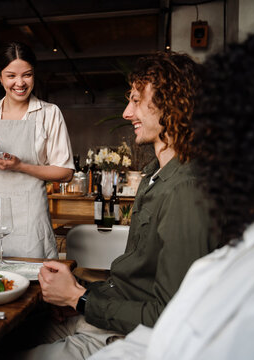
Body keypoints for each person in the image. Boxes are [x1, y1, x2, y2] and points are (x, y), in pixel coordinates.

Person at [89, 16, 254, 360]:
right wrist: (83, 296)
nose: (212, 138)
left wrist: (80, 301)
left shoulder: (190, 190)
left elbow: (172, 329)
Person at [23, 51, 218, 359]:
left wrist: (79, 299)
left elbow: (171, 316)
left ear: (173, 104)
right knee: (7, 333)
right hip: (106, 315)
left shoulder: (186, 190)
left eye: (137, 101)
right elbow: (134, 283)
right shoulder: (156, 174)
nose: (127, 113)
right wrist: (77, 289)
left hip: (125, 337)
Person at [0, 42, 74, 258]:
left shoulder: (49, 113)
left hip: (30, 215)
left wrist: (20, 165)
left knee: (32, 280)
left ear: (34, 75)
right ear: (0, 76)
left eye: (27, 75)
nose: (19, 83)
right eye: (11, 76)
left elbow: (66, 172)